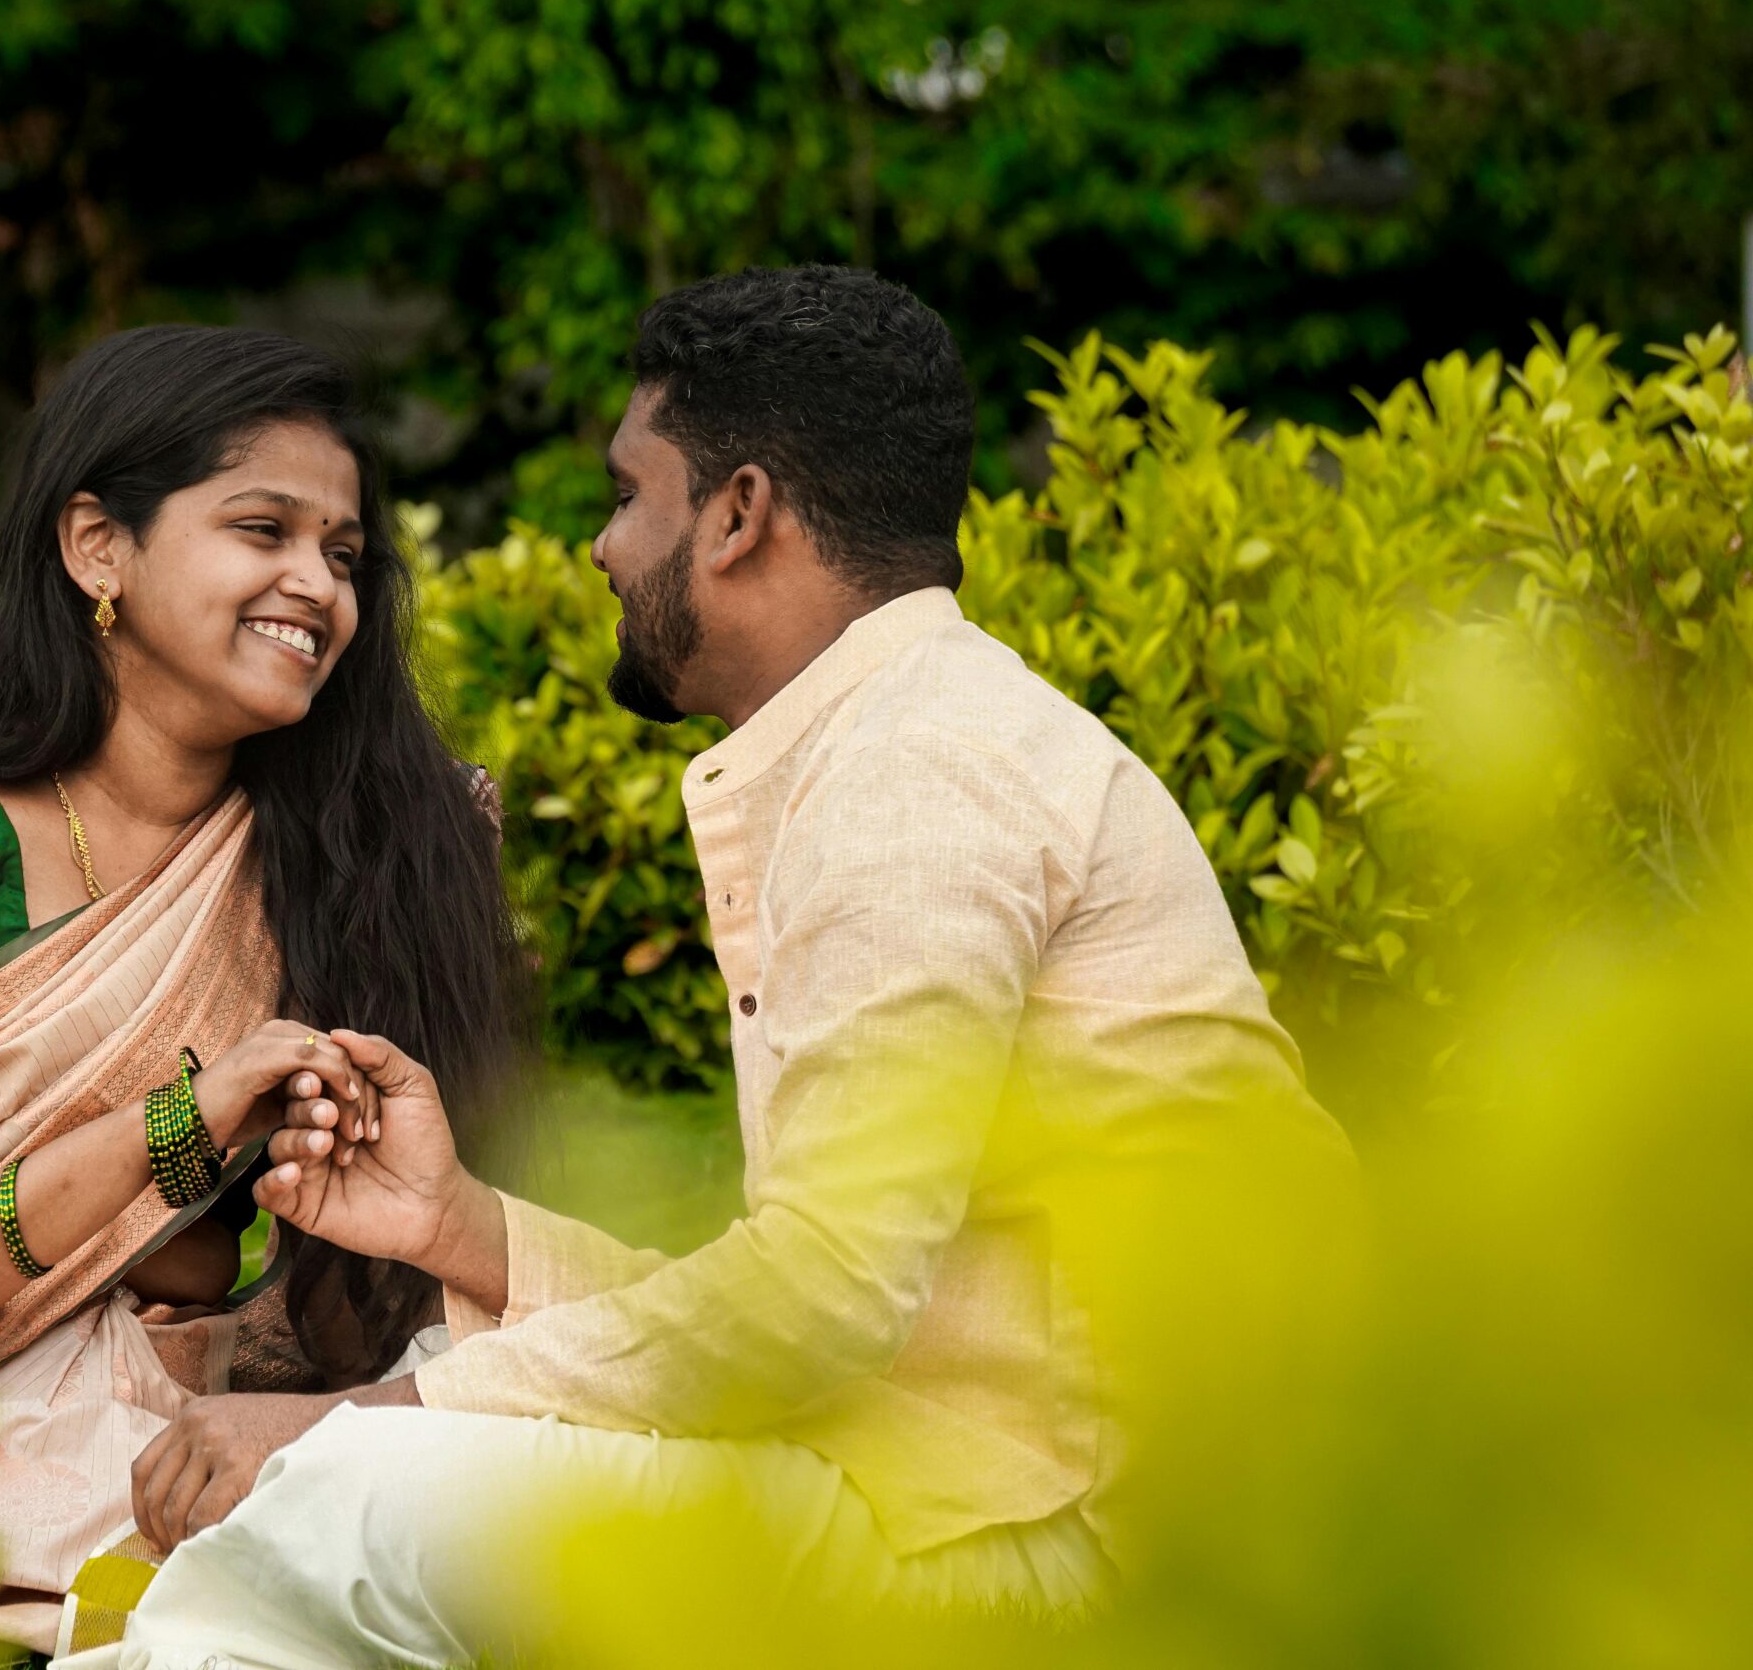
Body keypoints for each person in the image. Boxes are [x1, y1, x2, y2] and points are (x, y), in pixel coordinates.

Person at [77, 267, 1356, 1668]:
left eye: (632, 494)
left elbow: (818, 1302)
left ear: (738, 515)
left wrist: (354, 1426)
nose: (604, 549)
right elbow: (825, 1296)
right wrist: (464, 1231)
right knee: (427, 1405)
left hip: (1079, 1544)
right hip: (966, 1480)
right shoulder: (902, 736)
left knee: (354, 1498)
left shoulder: (915, 777)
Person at [0, 326, 526, 1654]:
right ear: (95, 548)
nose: (318, 585)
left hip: (129, 1372)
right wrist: (176, 1134)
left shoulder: (371, 851)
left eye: (344, 554)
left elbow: (374, 1291)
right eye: (265, 529)